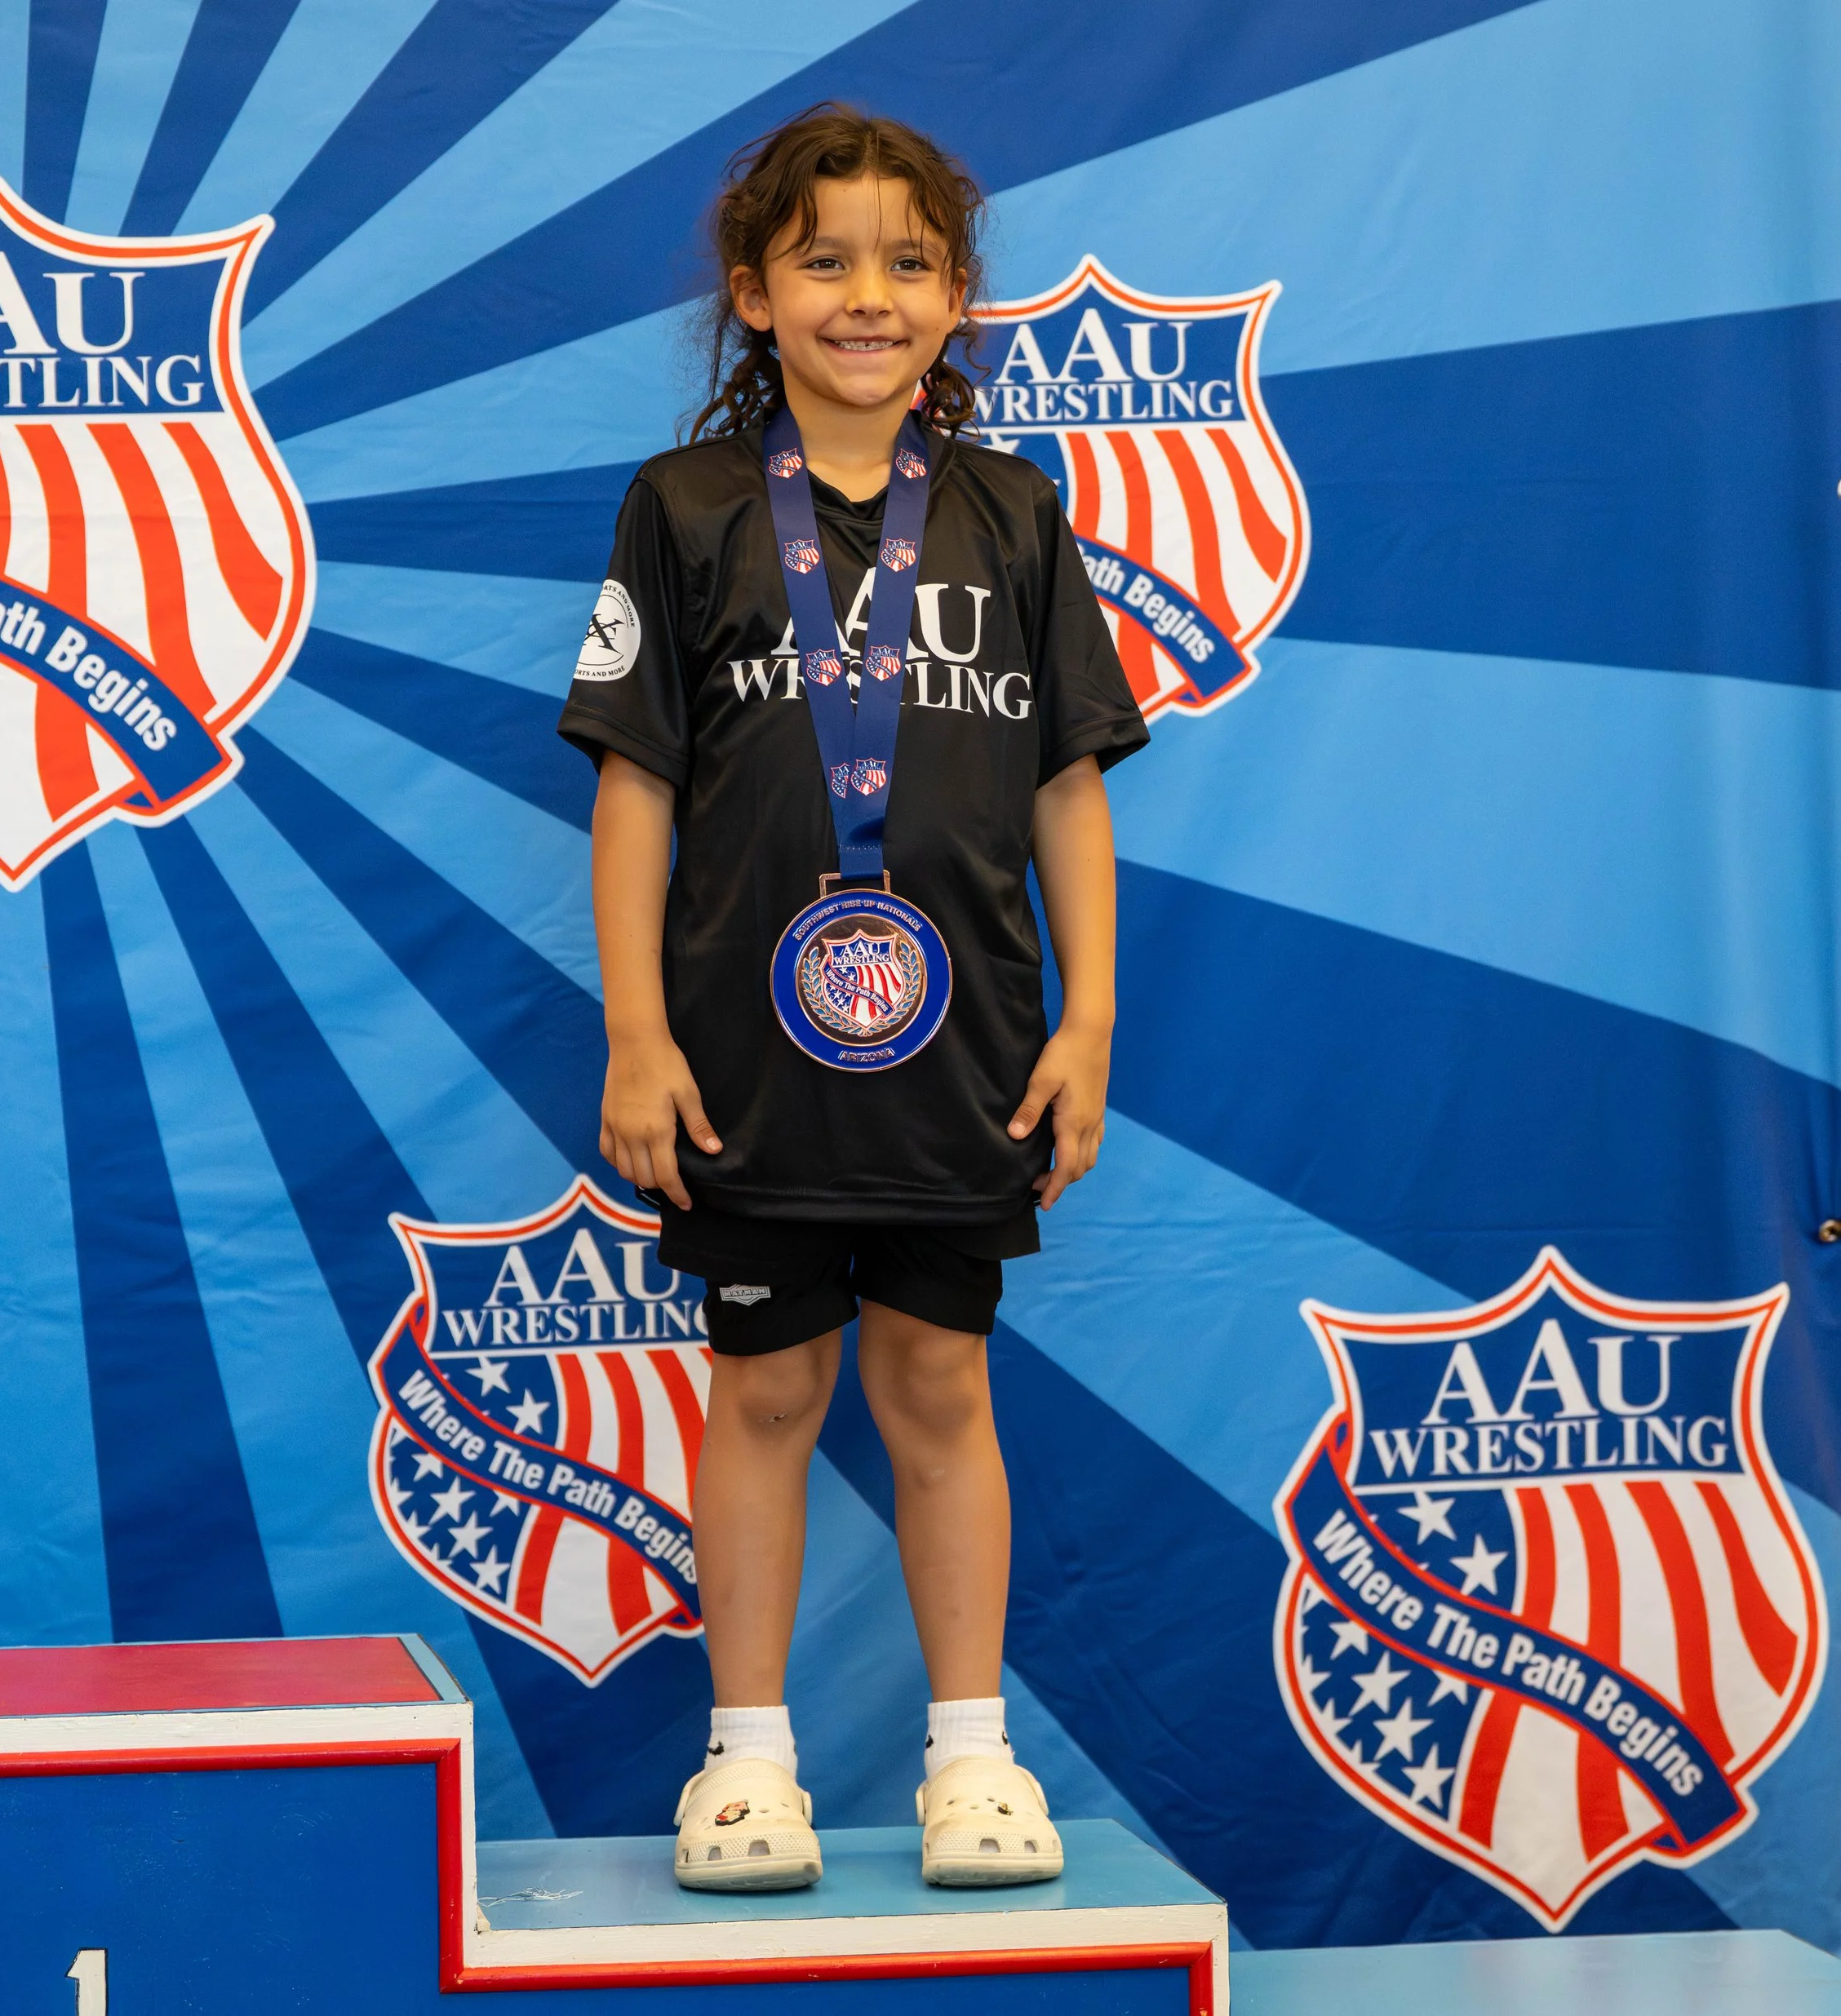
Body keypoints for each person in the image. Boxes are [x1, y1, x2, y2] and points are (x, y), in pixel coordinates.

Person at [557, 104, 1147, 1891]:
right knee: (757, 1394)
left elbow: (1065, 784)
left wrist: (1087, 1021)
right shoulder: (684, 509)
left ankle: (969, 1762)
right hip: (745, 1059)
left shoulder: (1012, 512)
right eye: (823, 258)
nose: (865, 294)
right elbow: (635, 784)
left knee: (941, 1388)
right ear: (752, 291)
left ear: (958, 297)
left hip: (958, 1054)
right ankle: (745, 1764)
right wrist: (638, 1033)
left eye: (906, 260)